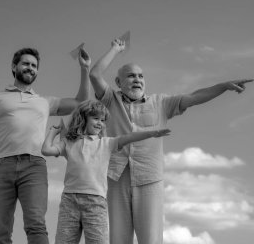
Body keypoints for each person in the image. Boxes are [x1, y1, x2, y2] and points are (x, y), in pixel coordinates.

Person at [89, 38, 254, 244]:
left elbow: (195, 97)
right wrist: (115, 48)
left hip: (149, 179)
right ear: (118, 82)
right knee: (118, 240)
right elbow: (94, 74)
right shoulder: (109, 101)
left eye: (141, 76)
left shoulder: (161, 103)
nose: (137, 80)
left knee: (151, 240)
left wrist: (223, 86)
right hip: (116, 177)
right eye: (131, 76)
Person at [0, 47, 91, 244]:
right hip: (2, 167)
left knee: (36, 225)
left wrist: (85, 69)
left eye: (34, 66)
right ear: (14, 66)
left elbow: (80, 102)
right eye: (26, 64)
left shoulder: (45, 102)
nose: (30, 68)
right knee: (0, 231)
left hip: (34, 167)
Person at [41, 99, 171, 244]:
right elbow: (46, 150)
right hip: (69, 201)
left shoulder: (106, 143)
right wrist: (53, 132)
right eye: (95, 118)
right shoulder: (69, 142)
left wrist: (151, 133)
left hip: (95, 202)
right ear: (83, 118)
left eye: (102, 120)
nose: (100, 123)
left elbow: (128, 137)